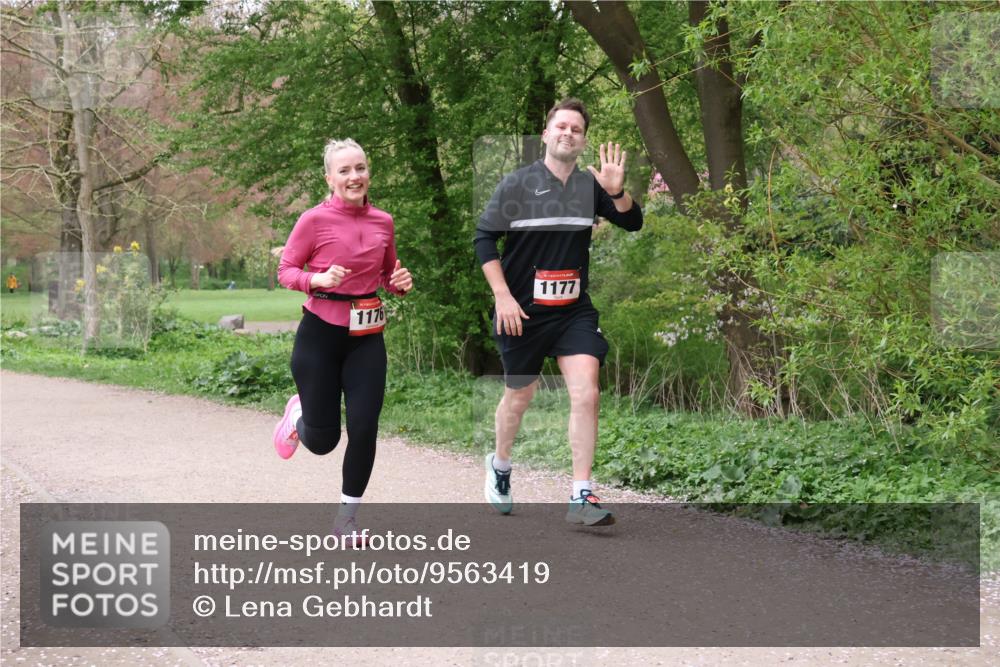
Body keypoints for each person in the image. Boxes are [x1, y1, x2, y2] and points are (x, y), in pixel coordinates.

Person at [474, 98, 643, 526]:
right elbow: (484, 240)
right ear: (546, 134)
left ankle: (580, 495)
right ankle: (500, 464)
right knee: (521, 395)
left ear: (582, 141)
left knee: (587, 392)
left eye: (577, 129)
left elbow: (632, 222)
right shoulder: (516, 184)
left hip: (573, 311)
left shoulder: (590, 187)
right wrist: (502, 296)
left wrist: (617, 192)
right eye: (561, 126)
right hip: (523, 312)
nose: (568, 133)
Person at [273, 138, 413, 545]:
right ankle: (298, 417)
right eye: (345, 171)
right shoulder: (313, 220)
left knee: (365, 427)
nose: (355, 177)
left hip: (366, 337)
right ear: (330, 178)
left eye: (360, 168)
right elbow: (286, 270)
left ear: (369, 172)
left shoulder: (383, 222)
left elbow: (387, 275)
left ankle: (346, 522)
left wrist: (399, 284)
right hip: (320, 335)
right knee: (323, 441)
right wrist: (314, 279)